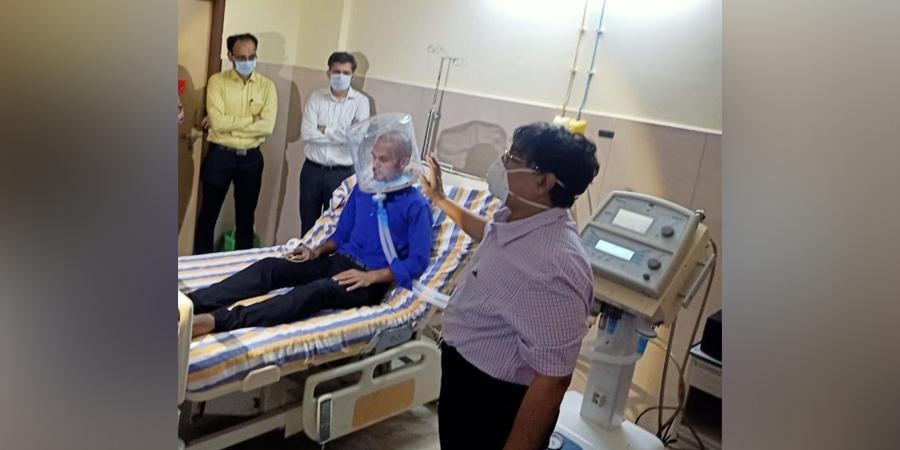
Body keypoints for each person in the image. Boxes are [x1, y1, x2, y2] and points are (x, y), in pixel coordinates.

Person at [419, 122, 601, 450]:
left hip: (493, 400)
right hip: (464, 380)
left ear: (542, 182)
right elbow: (488, 234)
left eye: (512, 158)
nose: (500, 165)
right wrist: (440, 199)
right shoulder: (518, 220)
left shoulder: (556, 265)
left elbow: (554, 378)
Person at [189, 130, 432, 337]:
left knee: (315, 291)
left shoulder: (416, 205)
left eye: (384, 159)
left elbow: (417, 262)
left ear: (403, 162)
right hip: (337, 261)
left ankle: (219, 321)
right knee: (270, 267)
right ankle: (192, 303)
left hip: (367, 280)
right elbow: (342, 234)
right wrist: (316, 251)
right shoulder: (364, 189)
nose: (375, 165)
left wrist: (372, 278)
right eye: (374, 158)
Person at [193, 33, 278, 254]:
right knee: (208, 214)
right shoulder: (217, 82)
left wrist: (228, 123)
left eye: (252, 56)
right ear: (230, 56)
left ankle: (241, 271)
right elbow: (218, 123)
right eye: (241, 57)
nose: (247, 61)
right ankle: (200, 264)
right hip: (220, 155)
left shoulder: (267, 87)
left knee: (246, 217)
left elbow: (267, 126)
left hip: (251, 158)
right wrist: (252, 119)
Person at [299, 51, 371, 236]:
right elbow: (307, 134)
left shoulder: (361, 102)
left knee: (336, 229)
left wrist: (325, 130)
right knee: (308, 226)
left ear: (353, 76)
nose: (341, 76)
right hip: (312, 171)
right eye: (336, 71)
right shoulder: (316, 98)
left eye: (346, 73)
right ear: (328, 73)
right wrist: (344, 135)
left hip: (342, 174)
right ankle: (303, 264)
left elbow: (357, 138)